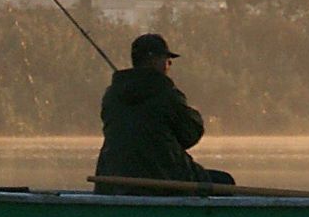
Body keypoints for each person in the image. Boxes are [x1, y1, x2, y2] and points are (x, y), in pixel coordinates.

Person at [94, 33, 236, 192]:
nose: (169, 64)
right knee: (224, 181)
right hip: (163, 178)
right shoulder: (166, 93)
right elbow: (190, 134)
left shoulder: (112, 95)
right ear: (154, 60)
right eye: (167, 59)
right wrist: (193, 113)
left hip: (113, 179)